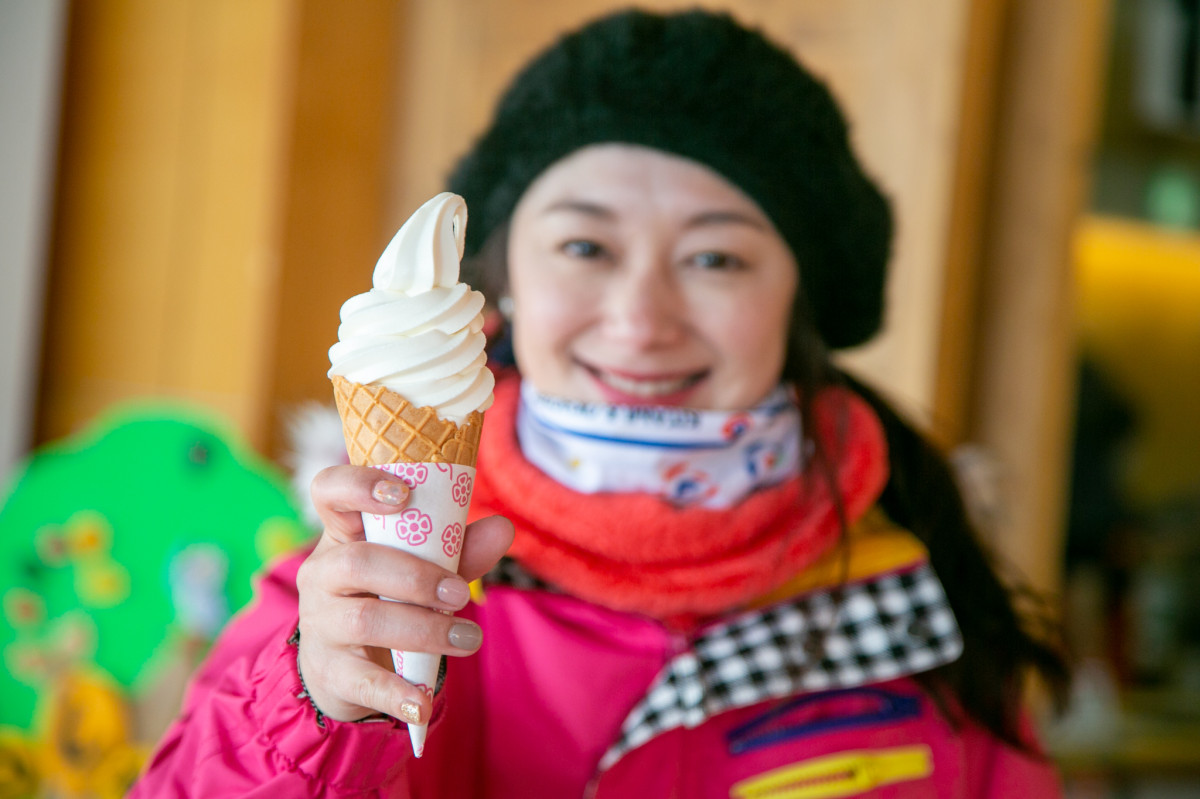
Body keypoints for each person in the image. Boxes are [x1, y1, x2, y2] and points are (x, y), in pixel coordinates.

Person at [132, 8, 1068, 797]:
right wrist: (317, 710)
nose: (639, 319)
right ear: (502, 286)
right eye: (585, 247)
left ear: (800, 306)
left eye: (715, 258)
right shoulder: (358, 593)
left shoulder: (920, 607)